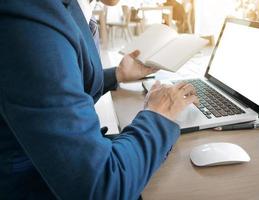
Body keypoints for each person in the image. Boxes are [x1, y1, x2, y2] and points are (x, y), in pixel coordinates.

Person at [0, 0, 198, 199]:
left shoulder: (67, 8)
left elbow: (58, 85)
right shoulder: (32, 21)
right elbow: (102, 189)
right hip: (30, 183)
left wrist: (118, 74)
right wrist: (157, 114)